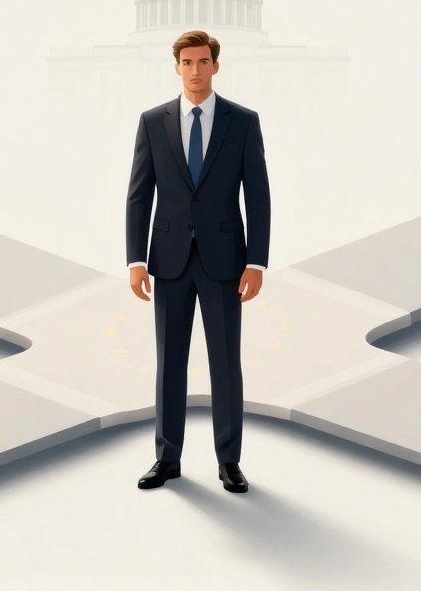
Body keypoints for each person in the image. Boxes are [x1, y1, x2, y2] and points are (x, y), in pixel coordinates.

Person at [125, 29, 271, 493]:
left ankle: (229, 461)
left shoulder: (242, 122)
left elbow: (259, 197)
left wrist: (257, 262)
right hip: (167, 261)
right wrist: (134, 260)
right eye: (187, 62)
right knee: (170, 361)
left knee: (225, 362)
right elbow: (137, 195)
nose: (195, 70)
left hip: (226, 262)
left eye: (203, 61)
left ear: (215, 65)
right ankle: (167, 458)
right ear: (176, 67)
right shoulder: (153, 121)